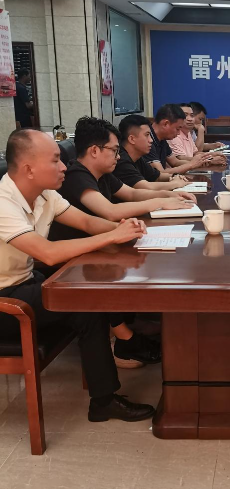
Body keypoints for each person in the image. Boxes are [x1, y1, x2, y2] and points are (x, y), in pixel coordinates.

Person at [0, 129, 155, 423]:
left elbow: (85, 221)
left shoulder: (45, 194)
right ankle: (109, 388)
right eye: (55, 160)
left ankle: (104, 399)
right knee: (84, 300)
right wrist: (112, 237)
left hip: (25, 284)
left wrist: (125, 229)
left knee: (87, 303)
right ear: (29, 169)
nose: (64, 167)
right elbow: (47, 253)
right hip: (5, 302)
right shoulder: (3, 203)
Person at [51, 116, 192, 241]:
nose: (118, 156)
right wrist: (160, 202)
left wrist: (169, 195)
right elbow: (110, 211)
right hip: (79, 251)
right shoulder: (76, 175)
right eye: (114, 150)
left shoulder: (102, 173)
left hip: (99, 240)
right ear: (94, 150)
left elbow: (132, 193)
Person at [115, 114, 191, 191]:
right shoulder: (121, 160)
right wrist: (175, 183)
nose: (151, 140)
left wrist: (175, 176)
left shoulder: (137, 158)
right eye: (147, 135)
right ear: (132, 139)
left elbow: (158, 177)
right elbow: (146, 187)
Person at [145, 104, 222, 174]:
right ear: (166, 124)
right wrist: (192, 165)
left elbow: (175, 162)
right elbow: (160, 174)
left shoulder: (162, 139)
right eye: (177, 129)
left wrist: (202, 162)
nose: (179, 133)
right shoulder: (147, 140)